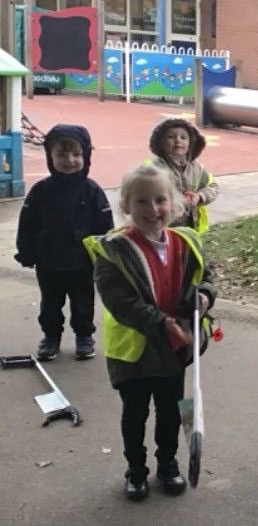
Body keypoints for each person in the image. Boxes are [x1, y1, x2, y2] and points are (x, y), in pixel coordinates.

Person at [84, 164, 215, 501]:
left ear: (173, 204)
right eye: (142, 201)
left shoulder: (186, 242)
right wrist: (159, 322)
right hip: (134, 352)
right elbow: (120, 302)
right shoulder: (112, 251)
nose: (152, 209)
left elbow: (207, 277)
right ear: (126, 205)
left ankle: (168, 464)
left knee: (172, 410)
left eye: (160, 200)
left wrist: (204, 296)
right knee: (135, 413)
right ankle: (136, 470)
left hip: (173, 349)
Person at [15, 124, 113, 361]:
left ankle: (84, 336)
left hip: (82, 264)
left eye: (76, 154)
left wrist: (106, 256)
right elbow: (27, 223)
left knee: (83, 304)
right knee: (50, 304)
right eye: (61, 154)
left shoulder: (92, 191)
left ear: (86, 155)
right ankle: (51, 337)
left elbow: (105, 227)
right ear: (50, 156)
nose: (69, 160)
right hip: (48, 261)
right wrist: (26, 252)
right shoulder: (41, 191)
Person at [148, 118, 218, 233]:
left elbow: (213, 186)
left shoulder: (197, 168)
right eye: (171, 137)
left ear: (191, 143)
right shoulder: (155, 170)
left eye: (183, 137)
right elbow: (145, 197)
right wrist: (174, 202)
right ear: (160, 142)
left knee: (188, 250)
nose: (178, 141)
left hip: (192, 227)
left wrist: (199, 197)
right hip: (165, 228)